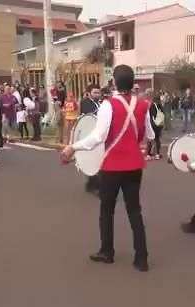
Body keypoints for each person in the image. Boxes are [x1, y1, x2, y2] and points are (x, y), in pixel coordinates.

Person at [61, 64, 155, 272]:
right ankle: (142, 258)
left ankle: (107, 252)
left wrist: (73, 147)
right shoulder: (143, 106)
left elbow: (98, 137)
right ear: (133, 84)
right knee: (134, 211)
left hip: (113, 166)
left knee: (107, 210)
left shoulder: (108, 105)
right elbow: (150, 135)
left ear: (114, 81)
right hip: (134, 166)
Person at [146, 91, 165, 161]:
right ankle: (157, 154)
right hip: (159, 124)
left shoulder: (151, 105)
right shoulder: (160, 105)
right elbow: (163, 114)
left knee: (150, 139)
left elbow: (150, 115)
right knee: (157, 139)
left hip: (152, 124)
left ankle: (148, 154)